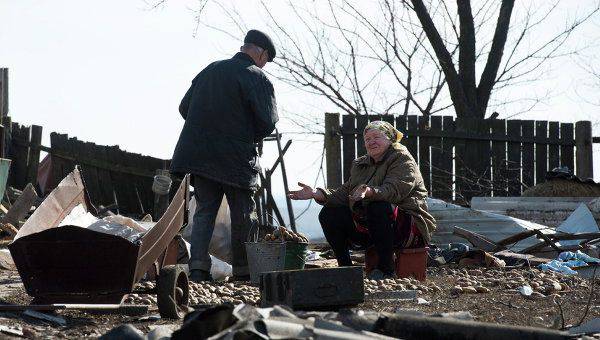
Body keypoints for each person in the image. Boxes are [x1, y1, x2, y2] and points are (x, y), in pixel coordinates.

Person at [171, 30, 278, 282]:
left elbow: (184, 108)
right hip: (235, 159)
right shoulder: (257, 77)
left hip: (200, 156)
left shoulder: (210, 70)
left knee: (205, 210)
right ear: (260, 53)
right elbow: (267, 122)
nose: (264, 64)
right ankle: (243, 272)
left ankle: (197, 268)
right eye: (266, 59)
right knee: (243, 214)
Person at [288, 121, 436, 279]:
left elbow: (394, 190)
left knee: (378, 206)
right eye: (367, 139)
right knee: (329, 213)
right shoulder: (361, 164)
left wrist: (370, 192)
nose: (371, 142)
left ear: (390, 139)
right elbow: (346, 192)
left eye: (376, 137)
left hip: (406, 227)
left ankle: (386, 269)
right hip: (372, 226)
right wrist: (316, 194)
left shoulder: (402, 160)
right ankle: (346, 269)